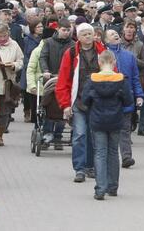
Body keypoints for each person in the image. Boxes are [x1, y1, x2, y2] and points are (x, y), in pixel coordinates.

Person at [57, 22, 106, 183]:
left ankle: (90, 167)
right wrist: (65, 105)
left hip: (97, 101)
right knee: (79, 134)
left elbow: (112, 73)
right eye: (84, 34)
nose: (87, 36)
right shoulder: (71, 53)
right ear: (78, 36)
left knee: (93, 135)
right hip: (77, 101)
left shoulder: (102, 52)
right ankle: (79, 168)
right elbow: (63, 80)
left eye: (89, 33)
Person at [81, 50, 132, 200]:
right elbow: (128, 101)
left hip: (97, 120)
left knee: (100, 153)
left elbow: (84, 101)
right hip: (116, 120)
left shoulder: (92, 80)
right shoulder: (121, 80)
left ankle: (100, 189)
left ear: (99, 62)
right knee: (113, 152)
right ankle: (113, 187)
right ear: (114, 62)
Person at [103, 29, 144, 168]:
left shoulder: (129, 56)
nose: (116, 35)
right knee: (108, 130)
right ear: (106, 40)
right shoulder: (102, 55)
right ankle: (107, 156)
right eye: (111, 34)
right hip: (108, 99)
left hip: (126, 97)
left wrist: (139, 95)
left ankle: (127, 157)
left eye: (116, 33)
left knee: (125, 129)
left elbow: (135, 78)